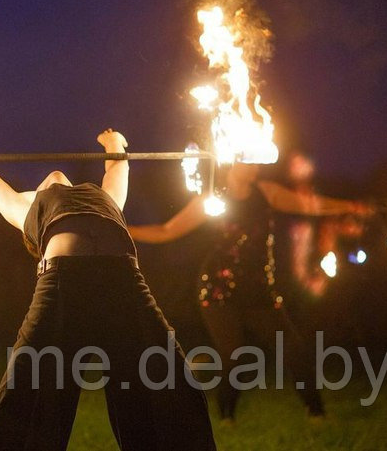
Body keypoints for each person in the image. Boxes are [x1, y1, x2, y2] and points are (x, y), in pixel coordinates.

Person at [0, 128, 216, 451]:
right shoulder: (24, 208)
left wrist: (113, 142)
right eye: (39, 187)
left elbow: (117, 166)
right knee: (27, 396)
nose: (50, 179)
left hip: (125, 282)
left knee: (166, 383)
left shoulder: (105, 198)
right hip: (62, 284)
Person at [129, 161, 373, 421]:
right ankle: (226, 417)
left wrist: (348, 206)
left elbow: (309, 204)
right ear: (232, 162)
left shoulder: (266, 192)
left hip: (259, 290)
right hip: (218, 290)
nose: (255, 165)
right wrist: (123, 229)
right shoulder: (213, 197)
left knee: (292, 348)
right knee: (232, 356)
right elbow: (166, 230)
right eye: (248, 159)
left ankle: (317, 414)